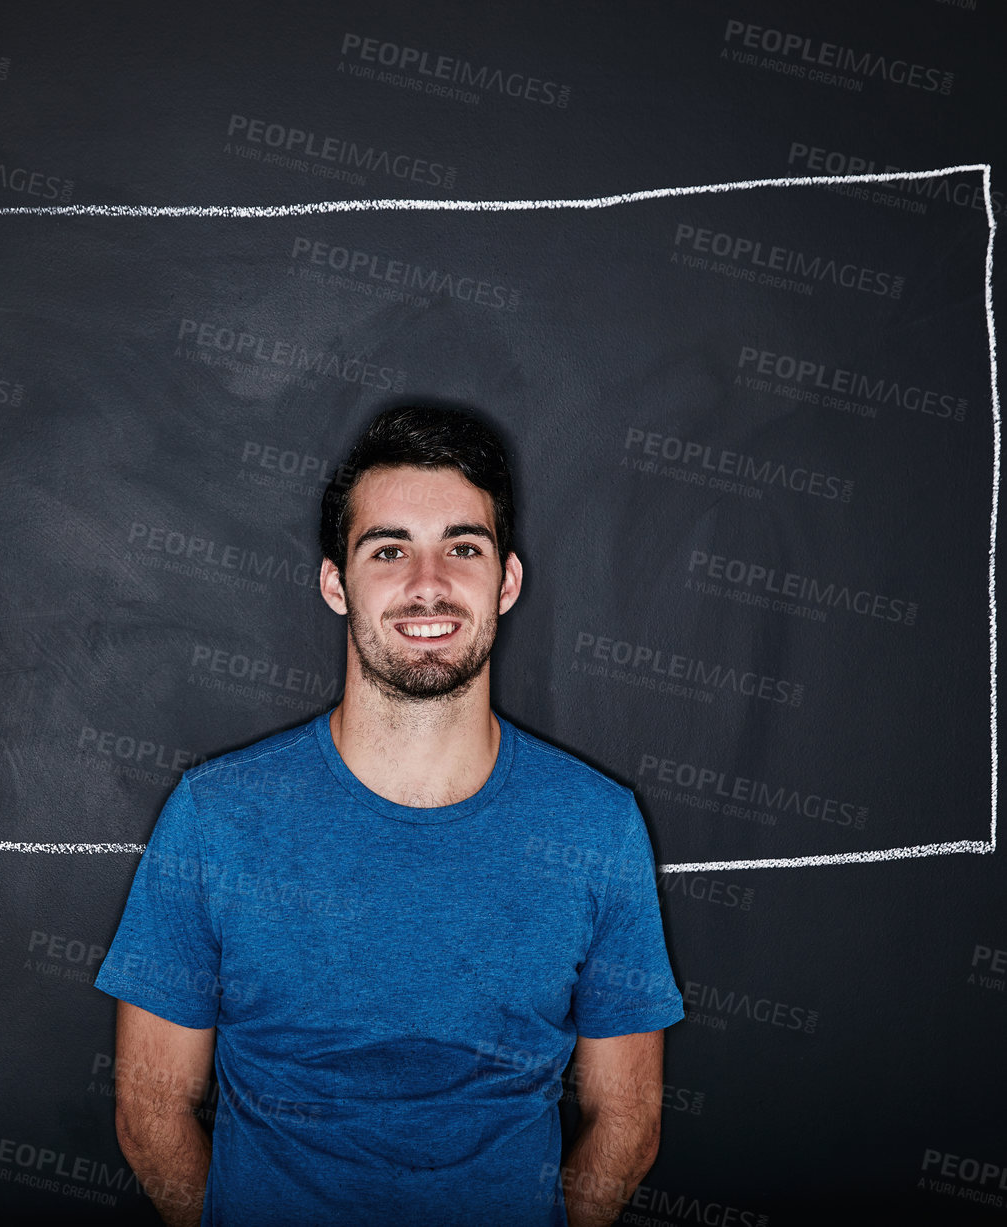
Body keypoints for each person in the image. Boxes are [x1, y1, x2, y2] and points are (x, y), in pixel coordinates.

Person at [93, 405, 682, 1226]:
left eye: (463, 547)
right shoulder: (216, 819)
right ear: (337, 581)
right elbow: (149, 1113)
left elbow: (629, 1120)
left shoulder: (596, 827)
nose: (428, 583)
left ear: (507, 581)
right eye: (390, 549)